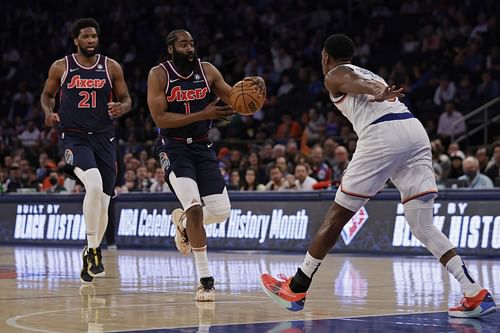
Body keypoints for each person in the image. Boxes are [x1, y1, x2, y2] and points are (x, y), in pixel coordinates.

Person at [261, 34, 496, 318]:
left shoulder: (334, 75)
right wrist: (377, 88)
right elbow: (365, 83)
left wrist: (373, 90)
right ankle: (474, 291)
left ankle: (297, 286)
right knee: (422, 226)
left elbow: (352, 84)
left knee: (337, 216)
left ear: (325, 57)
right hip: (413, 132)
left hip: (382, 135)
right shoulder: (368, 72)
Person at [147, 29, 265, 301]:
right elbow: (161, 118)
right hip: (173, 148)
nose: (190, 48)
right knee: (196, 208)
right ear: (171, 49)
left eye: (192, 44)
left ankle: (184, 224)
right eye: (183, 44)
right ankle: (205, 281)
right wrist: (204, 113)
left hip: (201, 147)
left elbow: (237, 99)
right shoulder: (159, 75)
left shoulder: (208, 70)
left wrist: (256, 88)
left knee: (222, 211)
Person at [40, 18, 131, 283]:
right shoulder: (62, 66)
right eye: (86, 36)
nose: (91, 40)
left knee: (104, 200)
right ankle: (93, 250)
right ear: (76, 40)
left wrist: (122, 108)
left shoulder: (111, 66)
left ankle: (91, 249)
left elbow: (127, 99)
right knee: (92, 186)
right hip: (74, 138)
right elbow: (47, 95)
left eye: (94, 36)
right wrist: (48, 112)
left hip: (104, 139)